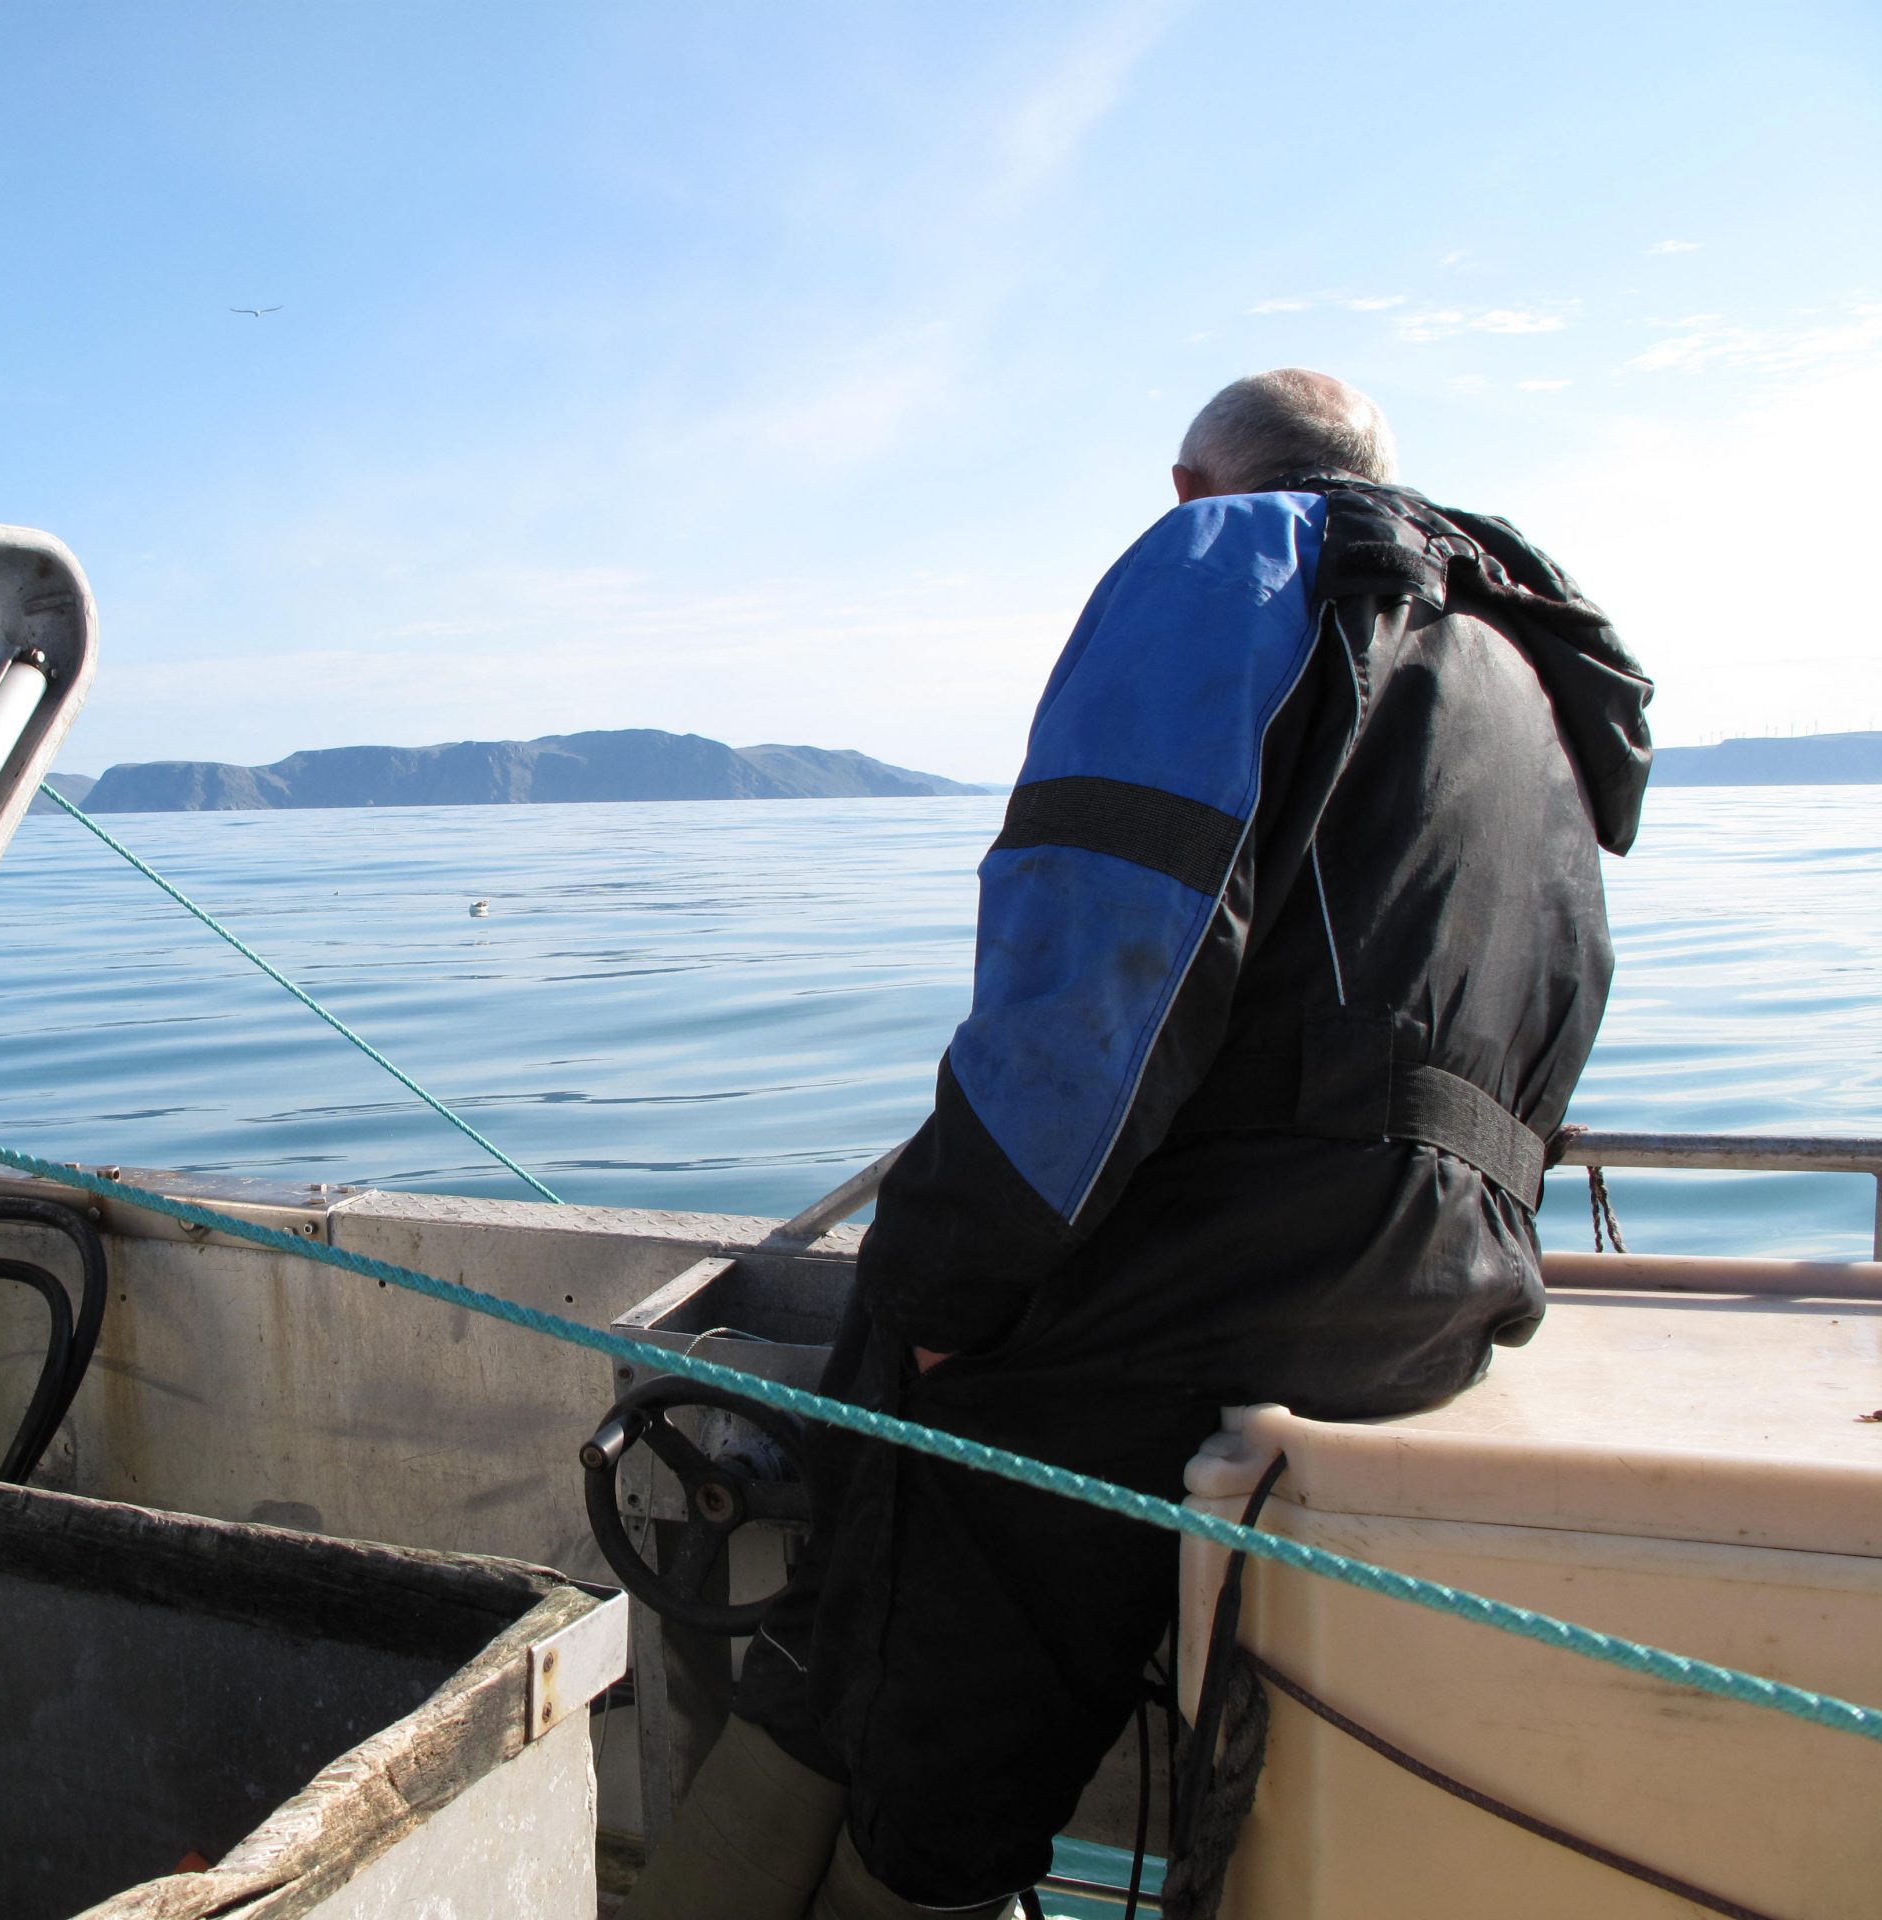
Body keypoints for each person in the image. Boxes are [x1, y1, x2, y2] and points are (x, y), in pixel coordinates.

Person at [621, 369, 1654, 1920]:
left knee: (905, 1638)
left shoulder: (1232, 559)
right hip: (1440, 1302)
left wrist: (953, 1293)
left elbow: (1105, 968)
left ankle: (869, 1874)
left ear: (1193, 484)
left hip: (1220, 1278)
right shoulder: (1524, 669)